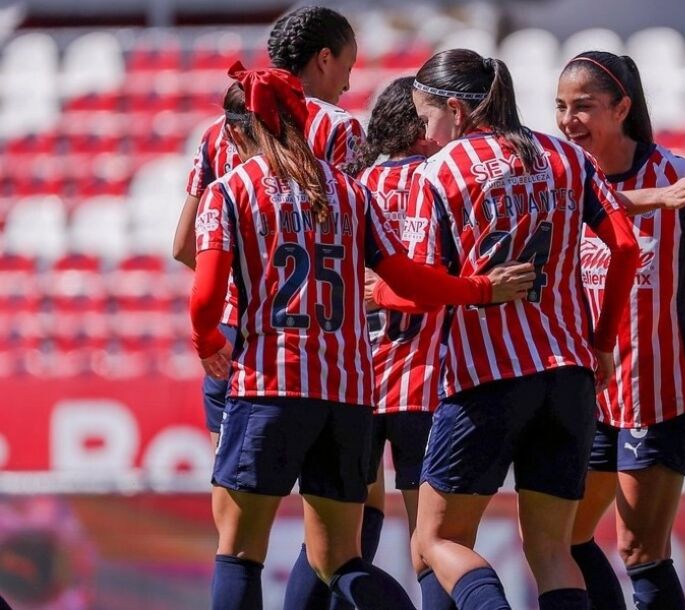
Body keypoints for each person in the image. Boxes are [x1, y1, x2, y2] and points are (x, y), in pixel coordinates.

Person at [190, 64, 533, 610]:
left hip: (270, 385)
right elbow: (409, 279)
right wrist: (480, 290)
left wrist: (207, 340)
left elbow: (206, 297)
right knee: (341, 559)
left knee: (239, 553)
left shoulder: (232, 190)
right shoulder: (350, 193)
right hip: (348, 397)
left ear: (238, 132)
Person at [406, 49, 640, 610]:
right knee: (553, 550)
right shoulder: (565, 157)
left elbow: (419, 285)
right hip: (569, 375)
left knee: (435, 541)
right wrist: (603, 341)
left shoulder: (439, 172)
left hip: (484, 377)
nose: (424, 130)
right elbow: (626, 246)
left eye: (425, 116)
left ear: (456, 110)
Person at [555, 51, 685, 610]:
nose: (568, 120)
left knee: (639, 547)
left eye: (583, 106)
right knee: (565, 537)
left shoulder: (680, 178)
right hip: (589, 396)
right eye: (561, 107)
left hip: (659, 391)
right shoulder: (566, 183)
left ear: (623, 107)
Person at [172, 5, 365, 451]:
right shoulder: (339, 128)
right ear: (323, 59)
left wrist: (240, 288)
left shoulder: (217, 132)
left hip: (233, 334)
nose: (349, 82)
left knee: (237, 499)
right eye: (347, 66)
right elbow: (347, 240)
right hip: (314, 339)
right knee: (343, 493)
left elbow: (184, 245)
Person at [352, 76, 458, 610]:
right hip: (427, 379)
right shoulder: (442, 178)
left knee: (343, 539)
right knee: (432, 540)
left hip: (359, 381)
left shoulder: (356, 183)